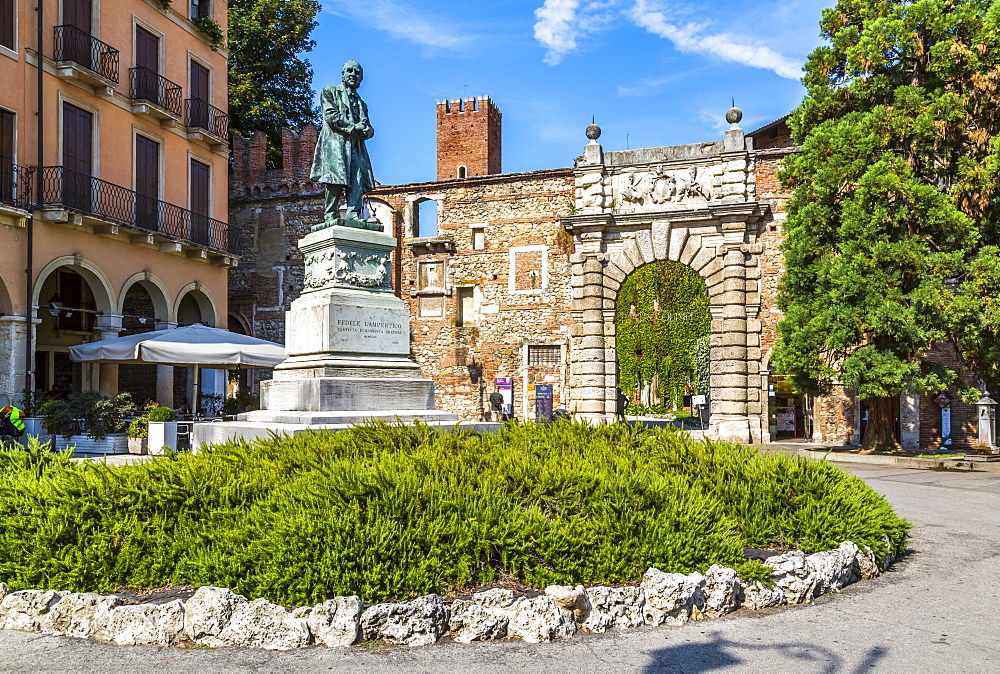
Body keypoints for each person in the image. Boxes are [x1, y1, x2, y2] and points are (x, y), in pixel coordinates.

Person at [311, 60, 376, 227]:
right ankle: (330, 214)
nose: (353, 74)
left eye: (357, 73)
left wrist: (367, 131)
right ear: (343, 74)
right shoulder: (329, 92)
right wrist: (354, 127)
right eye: (350, 71)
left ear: (361, 79)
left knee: (357, 179)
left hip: (356, 146)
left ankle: (353, 213)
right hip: (336, 144)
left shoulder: (362, 104)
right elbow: (331, 116)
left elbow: (368, 126)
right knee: (335, 179)